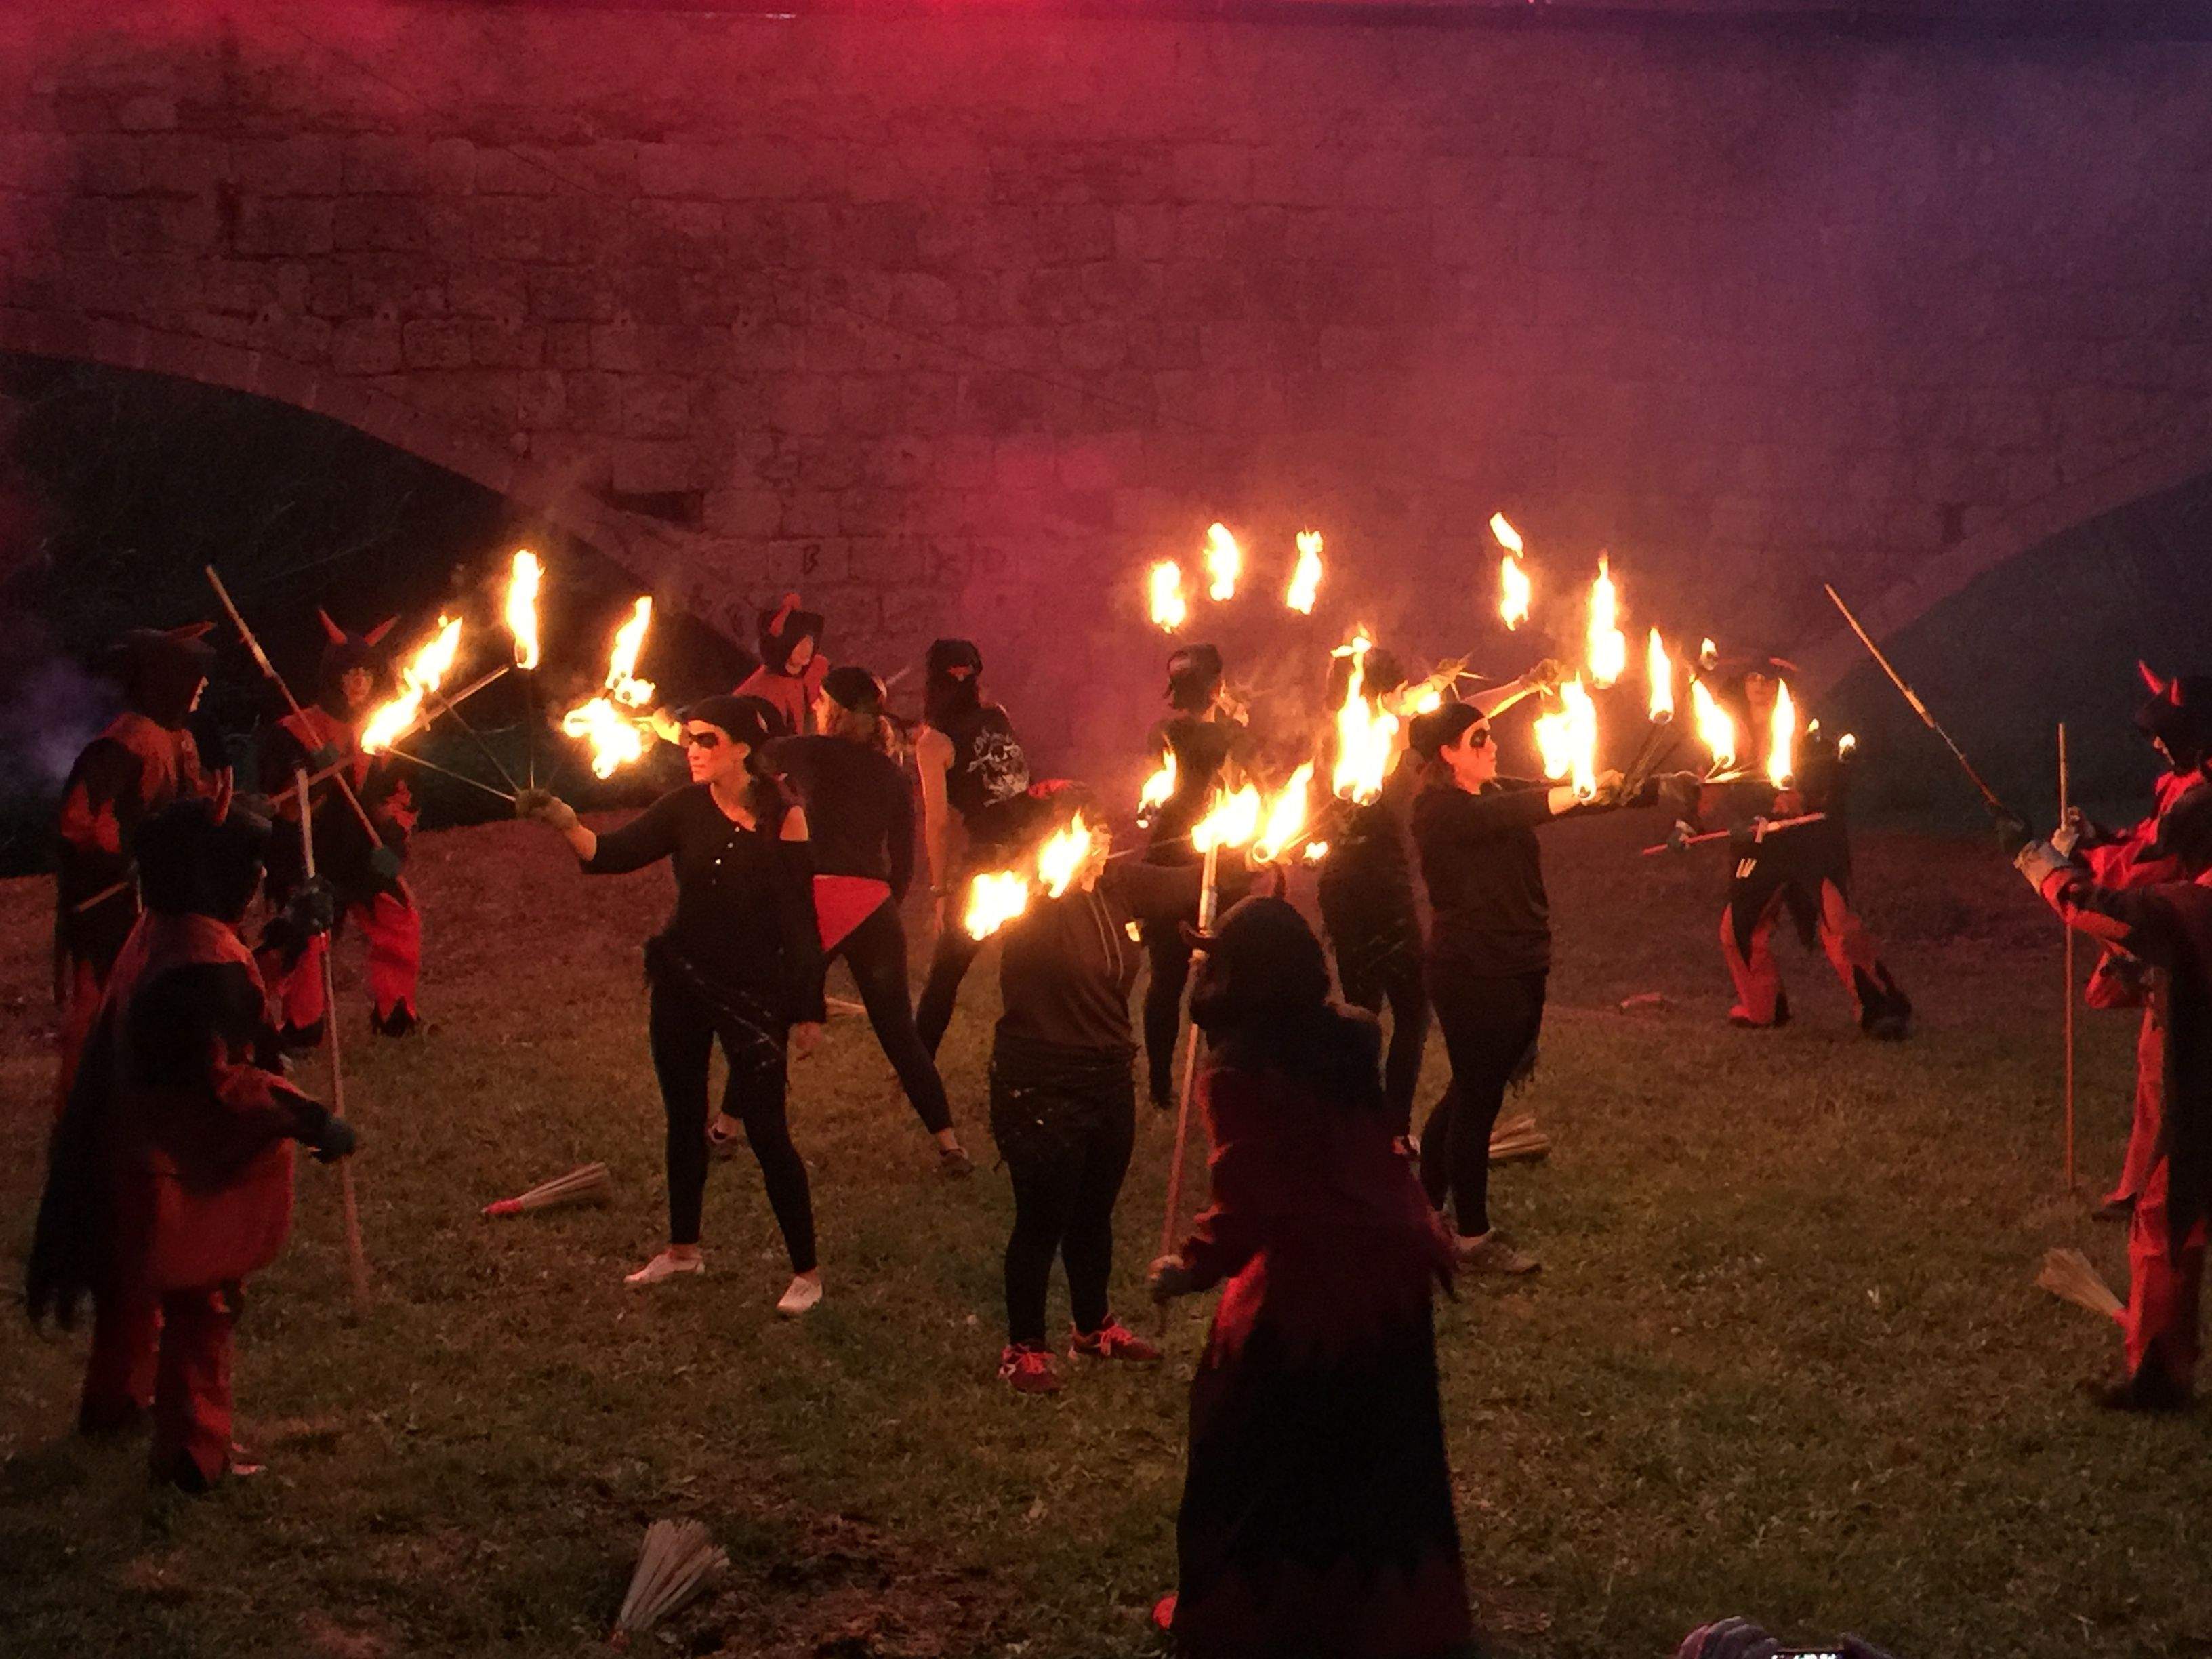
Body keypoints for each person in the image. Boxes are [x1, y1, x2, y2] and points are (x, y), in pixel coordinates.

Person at [1149, 897, 1471, 1659]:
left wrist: (1190, 1269)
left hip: (1318, 1285)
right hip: (1392, 1269)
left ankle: (1261, 1618)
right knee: (1377, 1447)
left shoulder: (1240, 1074)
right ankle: (1387, 1621)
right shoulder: (1348, 1040)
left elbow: (1251, 1192)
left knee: (1256, 1447)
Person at [26, 796, 359, 1492]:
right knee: (201, 1305)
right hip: (175, 1170)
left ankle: (116, 1403)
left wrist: (291, 934)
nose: (257, 876)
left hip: (127, 1153)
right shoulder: (194, 962)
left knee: (130, 1290)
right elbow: (223, 1081)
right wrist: (310, 1119)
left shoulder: (165, 931)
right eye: (248, 866)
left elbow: (229, 992)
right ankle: (194, 1455)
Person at [517, 695, 828, 1308]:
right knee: (684, 1119)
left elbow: (800, 918)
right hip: (682, 979)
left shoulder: (783, 817)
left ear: (743, 748)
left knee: (767, 1131)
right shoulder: (684, 806)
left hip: (753, 992)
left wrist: (807, 1006)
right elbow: (611, 854)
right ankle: (683, 1252)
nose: (693, 750)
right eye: (689, 739)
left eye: (707, 740)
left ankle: (807, 1274)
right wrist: (563, 820)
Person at [985, 786, 1248, 1395]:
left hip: (1107, 1074)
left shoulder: (1118, 886)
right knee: (1041, 1217)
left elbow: (1199, 878)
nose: (1102, 840)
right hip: (1040, 1080)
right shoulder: (1028, 896)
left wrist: (1246, 846)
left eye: (1104, 828)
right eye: (1088, 828)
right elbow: (976, 920)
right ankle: (1023, 1346)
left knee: (1094, 1210)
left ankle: (1091, 1327)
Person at [1408, 697, 1677, 1275]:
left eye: (1489, 735)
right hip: (1472, 969)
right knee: (1478, 1097)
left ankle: (1423, 1207)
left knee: (1470, 1088)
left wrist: (1649, 787)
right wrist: (1574, 791)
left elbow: (1566, 799)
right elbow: (1528, 807)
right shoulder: (1437, 811)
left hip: (1520, 960)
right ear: (1447, 753)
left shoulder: (1496, 789)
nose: (1492, 745)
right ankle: (1472, 1238)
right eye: (1479, 738)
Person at [2005, 783, 2212, 1410]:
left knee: (2164, 1226)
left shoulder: (2191, 906)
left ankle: (2159, 1377)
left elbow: (2096, 908)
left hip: (2202, 1099)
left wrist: (2035, 860)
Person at [1313, 647, 1563, 1134]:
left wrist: (1519, 685)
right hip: (1380, 887)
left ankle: (1363, 1126)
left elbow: (1454, 716)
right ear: (1386, 693)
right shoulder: (1386, 736)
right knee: (1410, 1011)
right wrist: (1524, 686)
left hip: (1338, 885)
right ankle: (1391, 1129)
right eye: (1400, 690)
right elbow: (1459, 720)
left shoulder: (1337, 734)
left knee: (1363, 1011)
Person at [760, 665, 972, 1175]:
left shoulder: (810, 751)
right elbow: (903, 860)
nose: (815, 708)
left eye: (820, 701)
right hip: (875, 905)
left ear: (833, 710)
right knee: (899, 1031)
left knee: (772, 1015)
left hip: (824, 898)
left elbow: (755, 755)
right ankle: (950, 1146)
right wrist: (883, 903)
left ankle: (724, 1129)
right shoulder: (892, 774)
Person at [1681, 655, 1910, 1038]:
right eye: (1754, 677)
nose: (1761, 685)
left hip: (1810, 843)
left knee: (1839, 923)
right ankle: (1763, 1009)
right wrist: (1687, 825)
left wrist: (1804, 799)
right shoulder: (1725, 732)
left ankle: (1879, 1006)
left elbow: (1830, 781)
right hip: (1758, 846)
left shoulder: (1806, 730)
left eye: (1770, 678)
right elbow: (1709, 785)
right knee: (1737, 929)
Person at [53, 623, 224, 1107]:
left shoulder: (180, 740)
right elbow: (77, 820)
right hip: (108, 898)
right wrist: (126, 851)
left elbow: (189, 805)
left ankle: (153, 1093)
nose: (203, 685)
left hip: (157, 894)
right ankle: (79, 1105)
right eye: (193, 675)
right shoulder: (123, 744)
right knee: (99, 1000)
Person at [2067, 663, 2212, 1221]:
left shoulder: (2203, 796)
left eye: (2163, 734)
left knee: (2169, 1064)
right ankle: (2143, 1187)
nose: (2154, 744)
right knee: (2159, 1064)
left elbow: (2150, 866)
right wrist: (2098, 838)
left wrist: (2072, 864)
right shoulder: (2182, 782)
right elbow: (2146, 840)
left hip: (2193, 935)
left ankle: (2157, 1195)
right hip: (2182, 933)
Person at [258, 611, 423, 1040]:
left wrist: (393, 838)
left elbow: (399, 794)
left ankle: (395, 1013)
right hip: (312, 853)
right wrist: (314, 772)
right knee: (310, 935)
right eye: (350, 674)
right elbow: (282, 806)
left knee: (399, 916)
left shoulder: (385, 729)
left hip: (364, 849)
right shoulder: (295, 731)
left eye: (365, 674)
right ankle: (302, 1025)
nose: (359, 683)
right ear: (332, 678)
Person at [1139, 643, 1263, 1111]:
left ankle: (1161, 1086)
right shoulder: (1230, 736)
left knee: (1166, 976)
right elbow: (1250, 786)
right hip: (1215, 862)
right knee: (1223, 973)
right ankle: (1221, 1076)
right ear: (1217, 687)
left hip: (1167, 860)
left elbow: (1156, 794)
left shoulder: (1164, 732)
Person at [914, 638, 1035, 1055]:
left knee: (947, 969)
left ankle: (917, 1065)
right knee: (1026, 959)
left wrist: (939, 891)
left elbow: (937, 822)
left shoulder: (934, 742)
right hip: (1034, 846)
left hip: (997, 856)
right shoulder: (997, 716)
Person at [736, 592, 828, 739]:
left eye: (810, 642)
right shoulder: (761, 688)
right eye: (799, 643)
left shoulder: (811, 677)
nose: (806, 649)